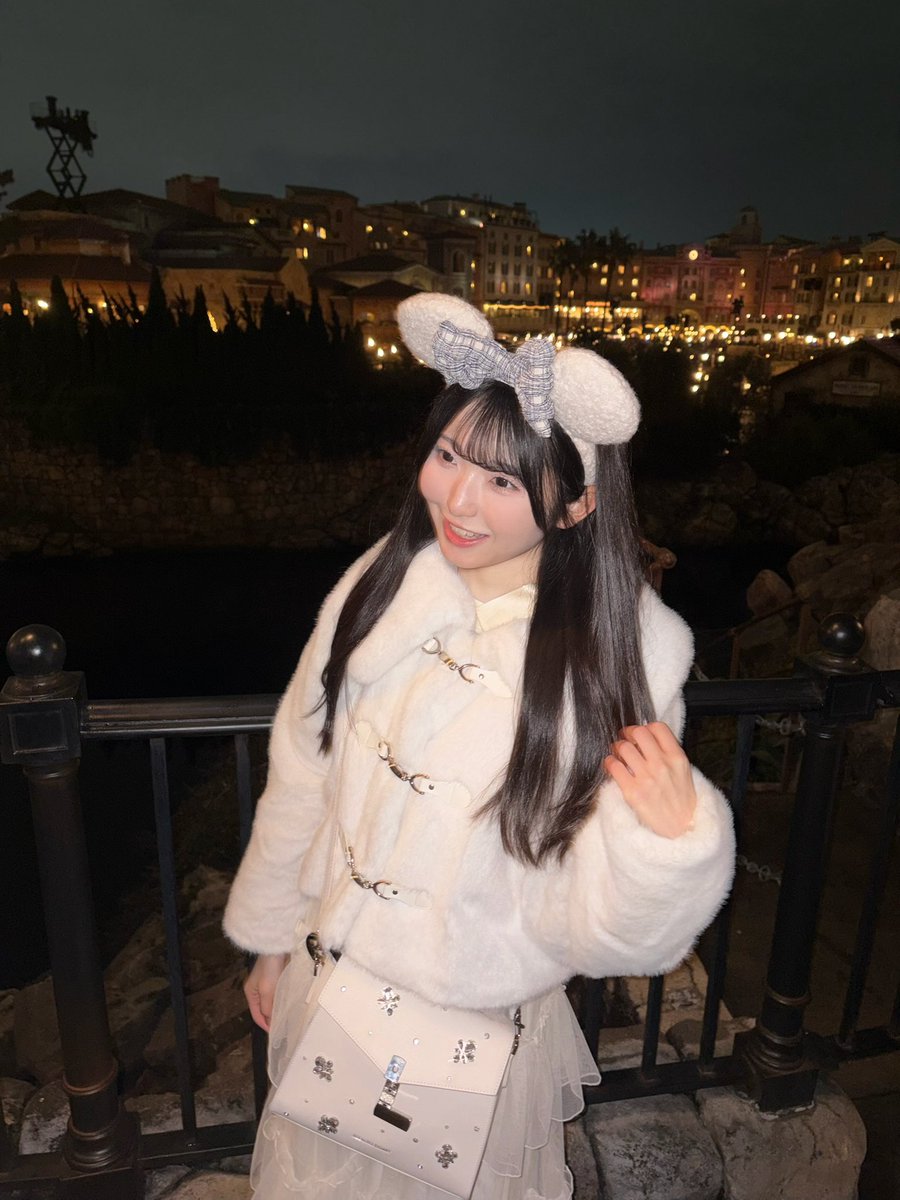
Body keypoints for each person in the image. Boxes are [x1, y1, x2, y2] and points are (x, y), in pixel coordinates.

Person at [223, 293, 735, 1199]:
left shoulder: (618, 656)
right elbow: (304, 772)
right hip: (331, 979)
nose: (456, 500)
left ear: (574, 505)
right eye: (449, 456)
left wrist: (672, 845)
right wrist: (271, 936)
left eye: (502, 482)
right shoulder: (381, 582)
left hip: (469, 1026)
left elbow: (599, 920)